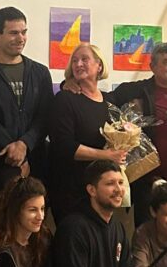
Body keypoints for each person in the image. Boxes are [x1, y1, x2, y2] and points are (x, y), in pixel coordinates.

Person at [0, 7, 53, 222]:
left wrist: (25, 145)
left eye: (24, 32)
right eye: (13, 33)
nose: (20, 38)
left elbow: (45, 116)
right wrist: (14, 153)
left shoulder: (40, 73)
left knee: (34, 226)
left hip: (36, 164)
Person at [110, 41, 167, 226]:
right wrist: (71, 83)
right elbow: (99, 99)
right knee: (146, 234)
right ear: (152, 67)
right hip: (148, 182)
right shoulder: (134, 91)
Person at [48, 44, 120, 220]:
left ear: (99, 65)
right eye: (74, 61)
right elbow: (63, 146)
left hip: (102, 192)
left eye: (84, 59)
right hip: (71, 190)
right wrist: (106, 155)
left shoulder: (109, 101)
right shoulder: (65, 99)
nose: (78, 64)